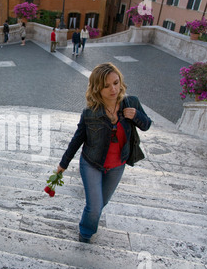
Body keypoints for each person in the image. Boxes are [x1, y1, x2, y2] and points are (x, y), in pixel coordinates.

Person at [55, 63, 151, 243]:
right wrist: (63, 164)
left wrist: (136, 115)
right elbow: (77, 139)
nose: (113, 89)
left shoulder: (132, 103)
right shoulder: (90, 113)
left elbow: (146, 125)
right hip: (91, 163)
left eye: (116, 82)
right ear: (97, 88)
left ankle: (88, 227)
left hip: (117, 166)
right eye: (106, 86)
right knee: (94, 206)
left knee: (101, 204)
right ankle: (85, 234)